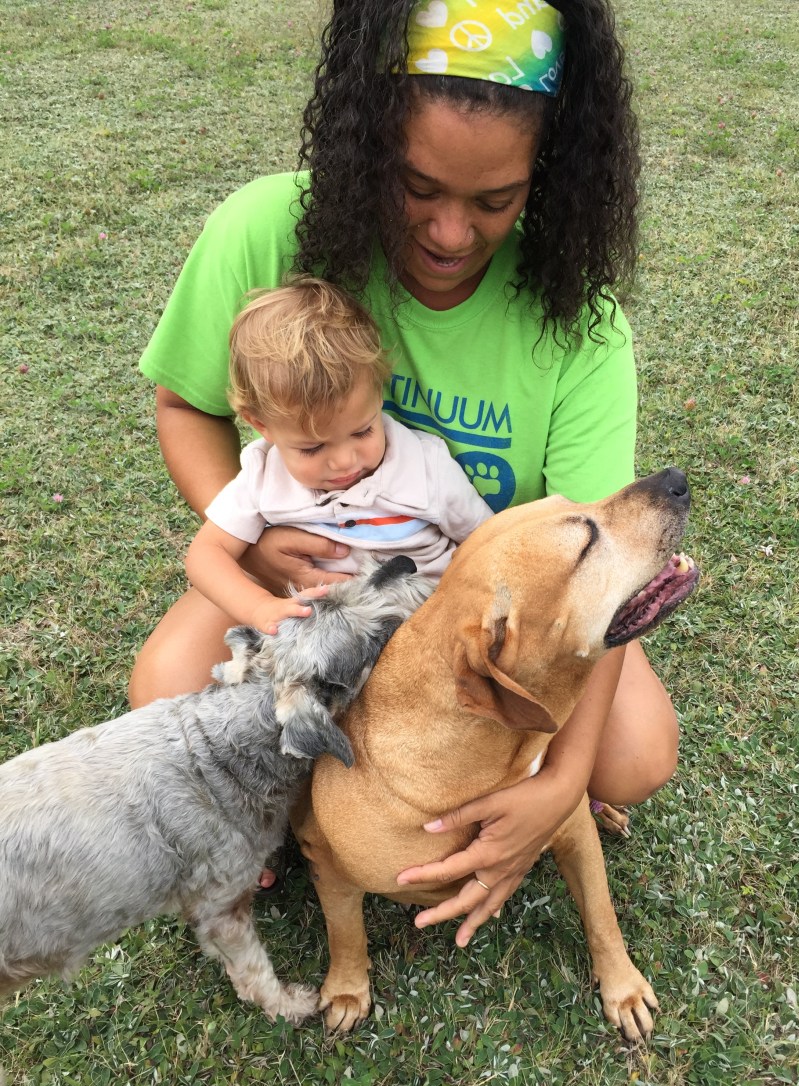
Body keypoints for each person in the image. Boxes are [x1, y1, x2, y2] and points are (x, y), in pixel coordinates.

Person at [133, 0, 680, 947]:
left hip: (476, 603)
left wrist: (559, 784)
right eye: (415, 186)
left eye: (494, 200)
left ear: (549, 176)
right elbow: (186, 407)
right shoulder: (264, 228)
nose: (450, 233)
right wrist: (257, 549)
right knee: (164, 690)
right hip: (310, 587)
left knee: (631, 762)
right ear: (366, 143)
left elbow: (598, 560)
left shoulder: (580, 326)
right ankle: (294, 815)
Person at [186, 279, 493, 635]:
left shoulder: (426, 468)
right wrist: (259, 606)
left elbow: (489, 541)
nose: (345, 462)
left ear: (378, 393)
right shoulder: (264, 478)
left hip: (429, 628)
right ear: (261, 425)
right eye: (313, 448)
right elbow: (206, 554)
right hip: (330, 639)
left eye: (362, 431)